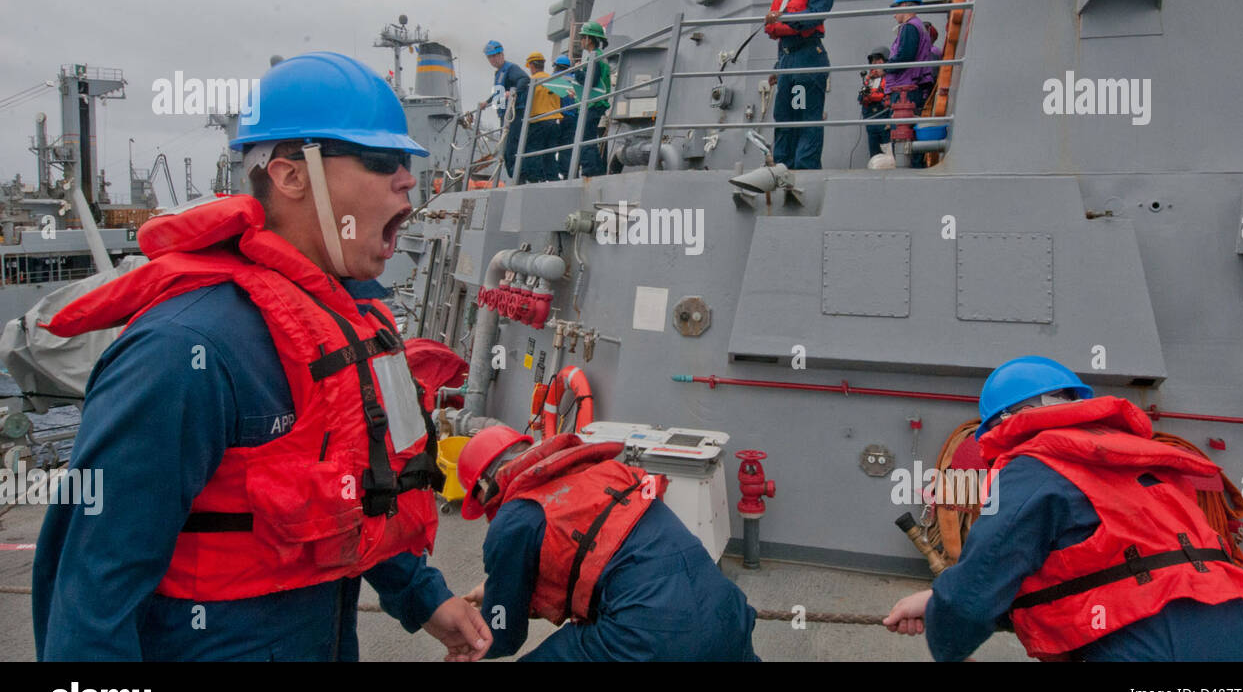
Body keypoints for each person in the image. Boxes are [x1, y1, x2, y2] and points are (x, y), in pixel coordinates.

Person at [33, 52, 491, 661]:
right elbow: (88, 602)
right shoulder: (186, 349)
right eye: (382, 162)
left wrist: (422, 596)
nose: (408, 180)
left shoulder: (356, 329)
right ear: (290, 176)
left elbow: (363, 494)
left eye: (406, 162)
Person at [884, 356, 1243, 662]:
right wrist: (936, 599)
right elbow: (1097, 573)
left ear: (1005, 422)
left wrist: (945, 630)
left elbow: (978, 587)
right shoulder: (1143, 460)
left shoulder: (1033, 467)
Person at [457, 425, 760, 661]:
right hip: (728, 614)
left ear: (487, 484)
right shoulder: (605, 472)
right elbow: (601, 552)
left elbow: (504, 634)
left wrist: (460, 630)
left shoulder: (513, 517)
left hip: (652, 636)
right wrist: (494, 590)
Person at [764, 0, 841, 171]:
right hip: (789, 59)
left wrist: (783, 19)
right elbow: (784, 37)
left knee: (807, 116)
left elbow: (815, 16)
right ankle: (782, 166)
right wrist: (778, 66)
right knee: (785, 115)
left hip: (808, 57)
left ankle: (804, 168)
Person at [882, 0, 935, 169]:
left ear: (905, 5)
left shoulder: (909, 27)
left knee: (903, 134)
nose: (894, 14)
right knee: (909, 134)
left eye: (895, 9)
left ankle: (909, 170)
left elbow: (905, 55)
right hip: (912, 86)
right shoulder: (918, 27)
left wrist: (886, 66)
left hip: (906, 89)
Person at [478, 40, 533, 182]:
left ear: (501, 54)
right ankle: (516, 179)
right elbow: (498, 93)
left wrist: (512, 93)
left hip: (514, 115)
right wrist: (487, 102)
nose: (493, 60)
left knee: (511, 149)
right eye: (490, 57)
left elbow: (524, 79)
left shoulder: (511, 68)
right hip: (504, 117)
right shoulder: (498, 74)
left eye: (495, 56)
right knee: (507, 152)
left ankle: (520, 179)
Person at [571, 22, 613, 177]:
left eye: (582, 37)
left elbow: (592, 81)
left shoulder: (594, 57)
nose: (581, 40)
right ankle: (597, 170)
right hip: (596, 103)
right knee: (588, 137)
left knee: (585, 137)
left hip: (594, 104)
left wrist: (577, 72)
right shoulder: (598, 57)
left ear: (589, 39)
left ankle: (590, 171)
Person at [522, 51, 566, 182]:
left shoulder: (531, 82)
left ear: (531, 65)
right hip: (554, 122)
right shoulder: (553, 80)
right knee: (549, 155)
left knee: (533, 152)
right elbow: (565, 96)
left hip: (538, 122)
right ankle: (553, 179)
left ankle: (536, 180)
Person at [858, 46, 892, 161]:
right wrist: (866, 91)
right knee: (874, 155)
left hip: (884, 123)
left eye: (879, 61)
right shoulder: (868, 80)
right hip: (871, 122)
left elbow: (887, 98)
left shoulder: (890, 79)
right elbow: (861, 98)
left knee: (888, 153)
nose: (875, 64)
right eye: (873, 61)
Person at [549, 54, 581, 177]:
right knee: (568, 147)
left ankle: (560, 172)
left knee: (552, 147)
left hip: (559, 117)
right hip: (574, 117)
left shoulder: (554, 78)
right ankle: (571, 173)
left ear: (556, 67)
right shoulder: (574, 79)